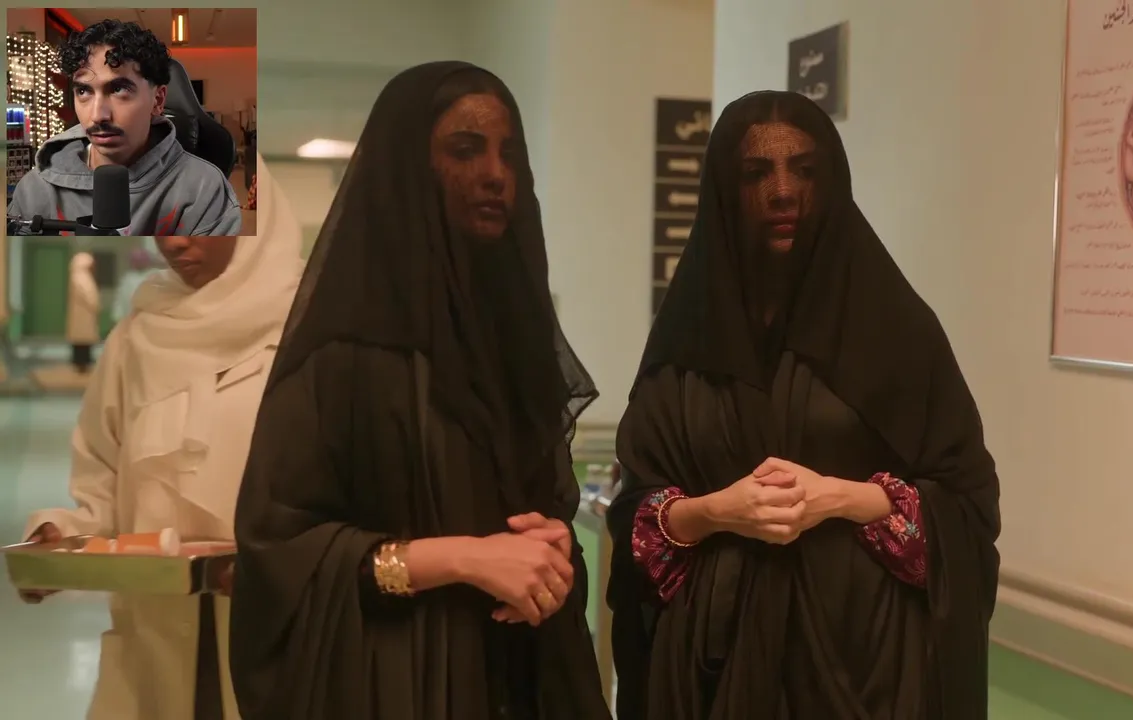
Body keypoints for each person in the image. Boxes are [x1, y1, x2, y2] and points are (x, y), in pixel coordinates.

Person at [229, 62, 611, 720]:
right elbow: (281, 556)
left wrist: (552, 549)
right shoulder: (343, 356)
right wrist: (461, 558)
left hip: (525, 677)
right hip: (397, 684)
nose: (495, 174)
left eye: (510, 155)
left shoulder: (514, 344)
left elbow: (544, 507)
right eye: (465, 150)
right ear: (410, 169)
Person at [606, 91, 1002, 719]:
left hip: (867, 664)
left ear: (832, 182)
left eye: (805, 170)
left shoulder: (896, 333)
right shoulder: (687, 345)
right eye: (756, 173)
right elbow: (637, 521)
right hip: (710, 667)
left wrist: (840, 498)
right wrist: (717, 511)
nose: (784, 191)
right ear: (724, 191)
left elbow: (965, 504)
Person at [20, 157, 303, 720]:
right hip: (154, 636)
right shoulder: (138, 337)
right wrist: (62, 538)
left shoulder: (307, 332)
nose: (173, 241)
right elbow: (103, 486)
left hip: (276, 633)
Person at [7, 19, 241, 236]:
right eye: (84, 91)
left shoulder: (205, 191)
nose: (98, 115)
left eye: (118, 89)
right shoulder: (35, 190)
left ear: (158, 100)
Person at [66, 251, 101, 373]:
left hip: (83, 314)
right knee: (82, 340)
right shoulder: (81, 277)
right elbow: (89, 296)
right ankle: (82, 363)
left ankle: (82, 363)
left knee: (82, 340)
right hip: (84, 314)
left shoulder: (78, 276)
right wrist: (96, 305)